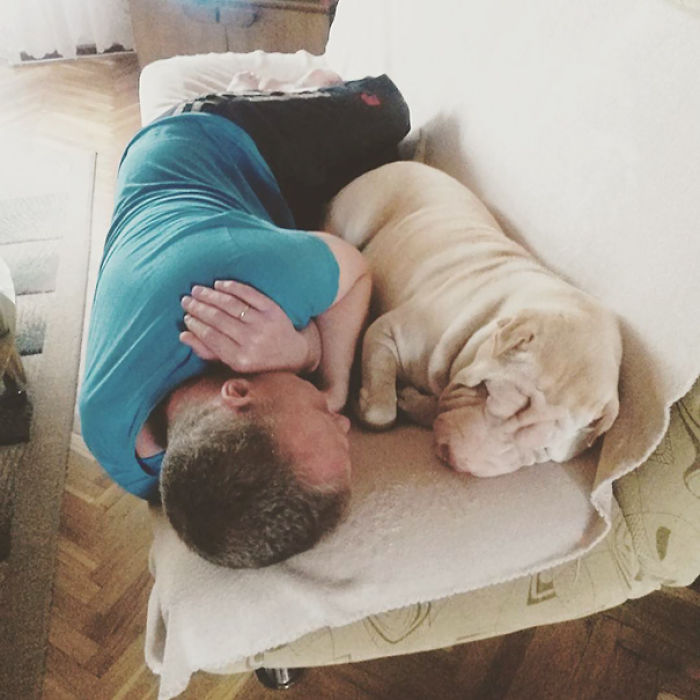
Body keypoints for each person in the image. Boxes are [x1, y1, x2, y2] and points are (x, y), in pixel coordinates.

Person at [79, 77, 410, 569]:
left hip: (204, 140)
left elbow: (355, 270)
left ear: (237, 392)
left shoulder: (245, 287)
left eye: (324, 420)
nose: (343, 419)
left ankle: (274, 90)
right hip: (229, 213)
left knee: (389, 116)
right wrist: (303, 350)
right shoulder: (133, 459)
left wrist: (330, 375)